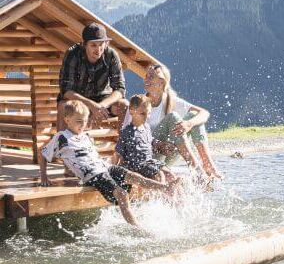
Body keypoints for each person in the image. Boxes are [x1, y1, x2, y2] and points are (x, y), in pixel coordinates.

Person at [39, 100, 172, 227]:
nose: (83, 125)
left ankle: (165, 188)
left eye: (85, 121)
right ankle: (137, 228)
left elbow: (93, 156)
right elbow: (43, 153)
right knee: (122, 194)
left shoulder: (85, 136)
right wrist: (44, 177)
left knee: (133, 176)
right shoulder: (61, 137)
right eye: (79, 121)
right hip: (92, 174)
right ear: (67, 120)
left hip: (104, 167)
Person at [136, 63, 221, 179]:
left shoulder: (171, 100)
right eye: (146, 76)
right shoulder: (140, 103)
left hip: (168, 154)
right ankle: (195, 167)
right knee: (172, 117)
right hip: (150, 155)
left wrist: (188, 124)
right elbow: (133, 134)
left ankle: (207, 163)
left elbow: (204, 113)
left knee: (193, 116)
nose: (146, 78)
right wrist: (157, 143)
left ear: (161, 82)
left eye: (151, 76)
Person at [58, 22, 128, 131]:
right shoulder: (72, 54)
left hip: (103, 101)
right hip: (78, 101)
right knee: (63, 106)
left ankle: (124, 145)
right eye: (93, 45)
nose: (98, 49)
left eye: (101, 44)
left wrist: (101, 106)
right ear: (84, 44)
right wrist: (92, 105)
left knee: (124, 104)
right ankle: (62, 145)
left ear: (106, 43)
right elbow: (66, 91)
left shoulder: (112, 55)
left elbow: (120, 89)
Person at [113, 94, 179, 188]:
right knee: (159, 174)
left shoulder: (146, 127)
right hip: (135, 165)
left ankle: (175, 197)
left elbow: (149, 139)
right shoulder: (127, 132)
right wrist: (113, 171)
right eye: (143, 113)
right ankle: (164, 192)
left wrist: (157, 143)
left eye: (148, 113)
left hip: (148, 161)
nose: (147, 117)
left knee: (169, 173)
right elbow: (117, 153)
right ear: (131, 111)